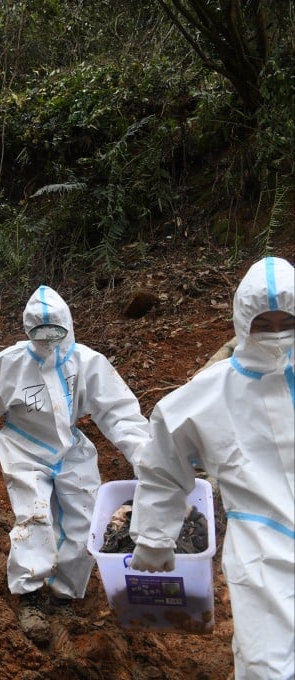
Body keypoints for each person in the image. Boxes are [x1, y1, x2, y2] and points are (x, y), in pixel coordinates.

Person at [0, 285, 150, 643]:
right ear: (27, 331)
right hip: (24, 447)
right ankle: (29, 596)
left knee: (86, 519)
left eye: (55, 331)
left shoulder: (87, 363)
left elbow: (118, 412)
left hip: (71, 447)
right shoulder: (11, 364)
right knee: (35, 514)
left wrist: (144, 455)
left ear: (68, 326)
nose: (48, 339)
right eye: (39, 333)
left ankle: (65, 594)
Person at [129, 256, 293, 678]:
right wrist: (153, 537)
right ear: (242, 323)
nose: (276, 335)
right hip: (262, 544)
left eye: (287, 322)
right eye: (263, 324)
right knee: (266, 664)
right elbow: (164, 463)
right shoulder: (211, 393)